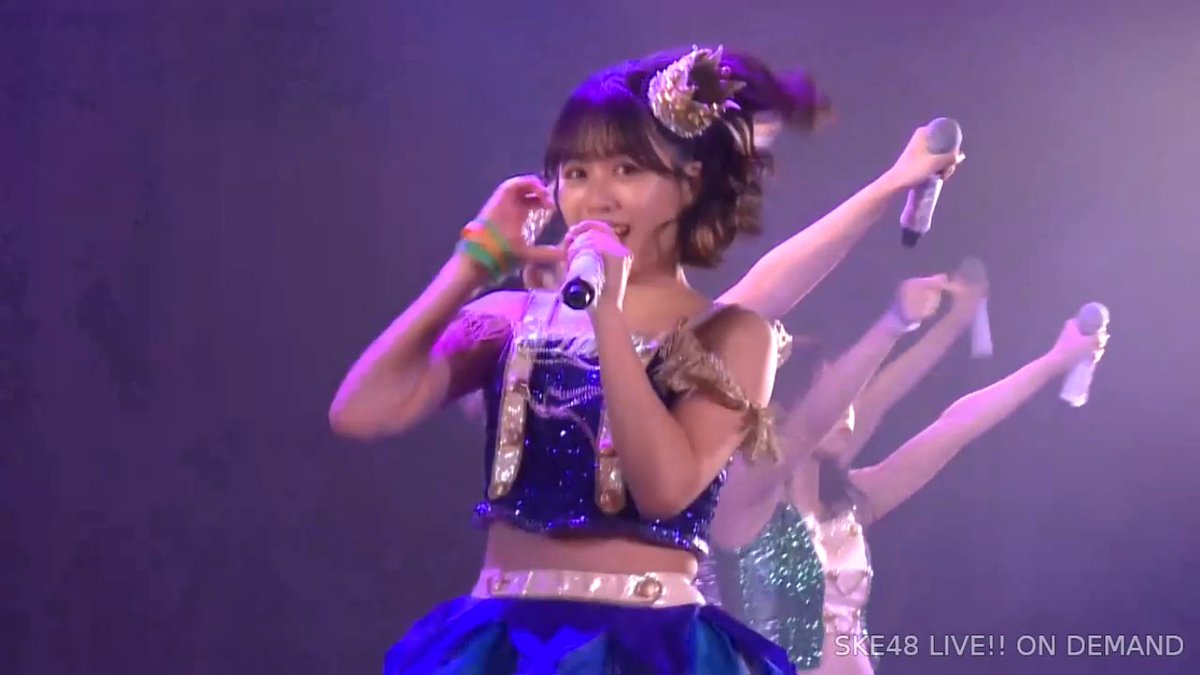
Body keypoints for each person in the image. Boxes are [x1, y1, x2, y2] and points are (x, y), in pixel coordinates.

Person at [331, 45, 831, 673]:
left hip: (649, 647)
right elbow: (362, 411)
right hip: (503, 643)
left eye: (627, 170)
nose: (598, 198)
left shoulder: (732, 335)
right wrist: (475, 263)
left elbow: (665, 489)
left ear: (690, 183)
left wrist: (607, 315)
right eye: (576, 173)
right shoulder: (512, 319)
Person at [708, 280, 1109, 673]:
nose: (847, 408)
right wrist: (895, 323)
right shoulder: (742, 504)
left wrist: (1055, 360)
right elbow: (813, 422)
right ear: (780, 409)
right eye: (835, 393)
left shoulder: (849, 505)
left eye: (848, 397)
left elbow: (956, 426)